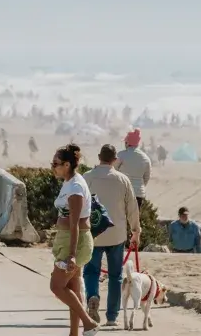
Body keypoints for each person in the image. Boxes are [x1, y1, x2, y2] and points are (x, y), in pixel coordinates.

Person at [82, 144, 141, 327]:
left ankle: (92, 296)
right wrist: (136, 231)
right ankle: (112, 317)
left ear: (99, 157)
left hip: (93, 233)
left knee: (91, 271)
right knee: (115, 275)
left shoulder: (87, 177)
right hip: (117, 234)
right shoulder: (123, 180)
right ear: (115, 160)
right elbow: (132, 208)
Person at [49, 144, 99, 336]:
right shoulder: (69, 183)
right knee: (73, 288)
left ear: (67, 164)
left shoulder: (76, 187)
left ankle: (88, 323)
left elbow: (75, 223)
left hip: (75, 243)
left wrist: (71, 255)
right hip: (68, 240)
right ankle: (74, 333)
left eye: (56, 164)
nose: (53, 167)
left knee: (56, 286)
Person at [116, 129, 152, 209]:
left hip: (122, 192)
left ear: (127, 143)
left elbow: (113, 171)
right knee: (134, 216)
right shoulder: (145, 158)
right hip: (138, 194)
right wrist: (139, 186)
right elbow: (146, 177)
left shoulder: (121, 155)